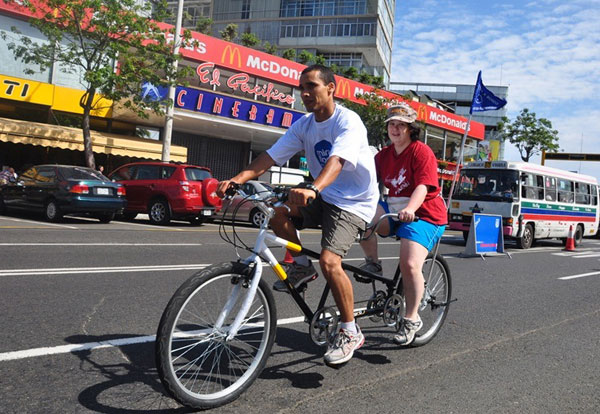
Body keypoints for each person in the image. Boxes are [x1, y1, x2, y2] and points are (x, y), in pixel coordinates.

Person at [216, 64, 379, 365]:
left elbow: (338, 159)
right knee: (276, 214)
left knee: (331, 262)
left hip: (354, 202)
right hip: (324, 194)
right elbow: (270, 156)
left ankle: (350, 329)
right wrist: (238, 179)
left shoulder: (349, 121)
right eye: (301, 87)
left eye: (312, 86)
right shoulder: (304, 125)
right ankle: (302, 266)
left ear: (332, 88)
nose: (305, 93)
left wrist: (313, 188)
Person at [358, 103, 447, 346]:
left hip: (424, 214)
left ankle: (411, 318)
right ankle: (373, 265)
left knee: (409, 264)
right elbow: (365, 182)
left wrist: (410, 208)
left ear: (410, 129)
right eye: (392, 124)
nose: (395, 129)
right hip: (395, 211)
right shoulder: (383, 155)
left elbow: (423, 186)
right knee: (363, 217)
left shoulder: (421, 152)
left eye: (401, 125)